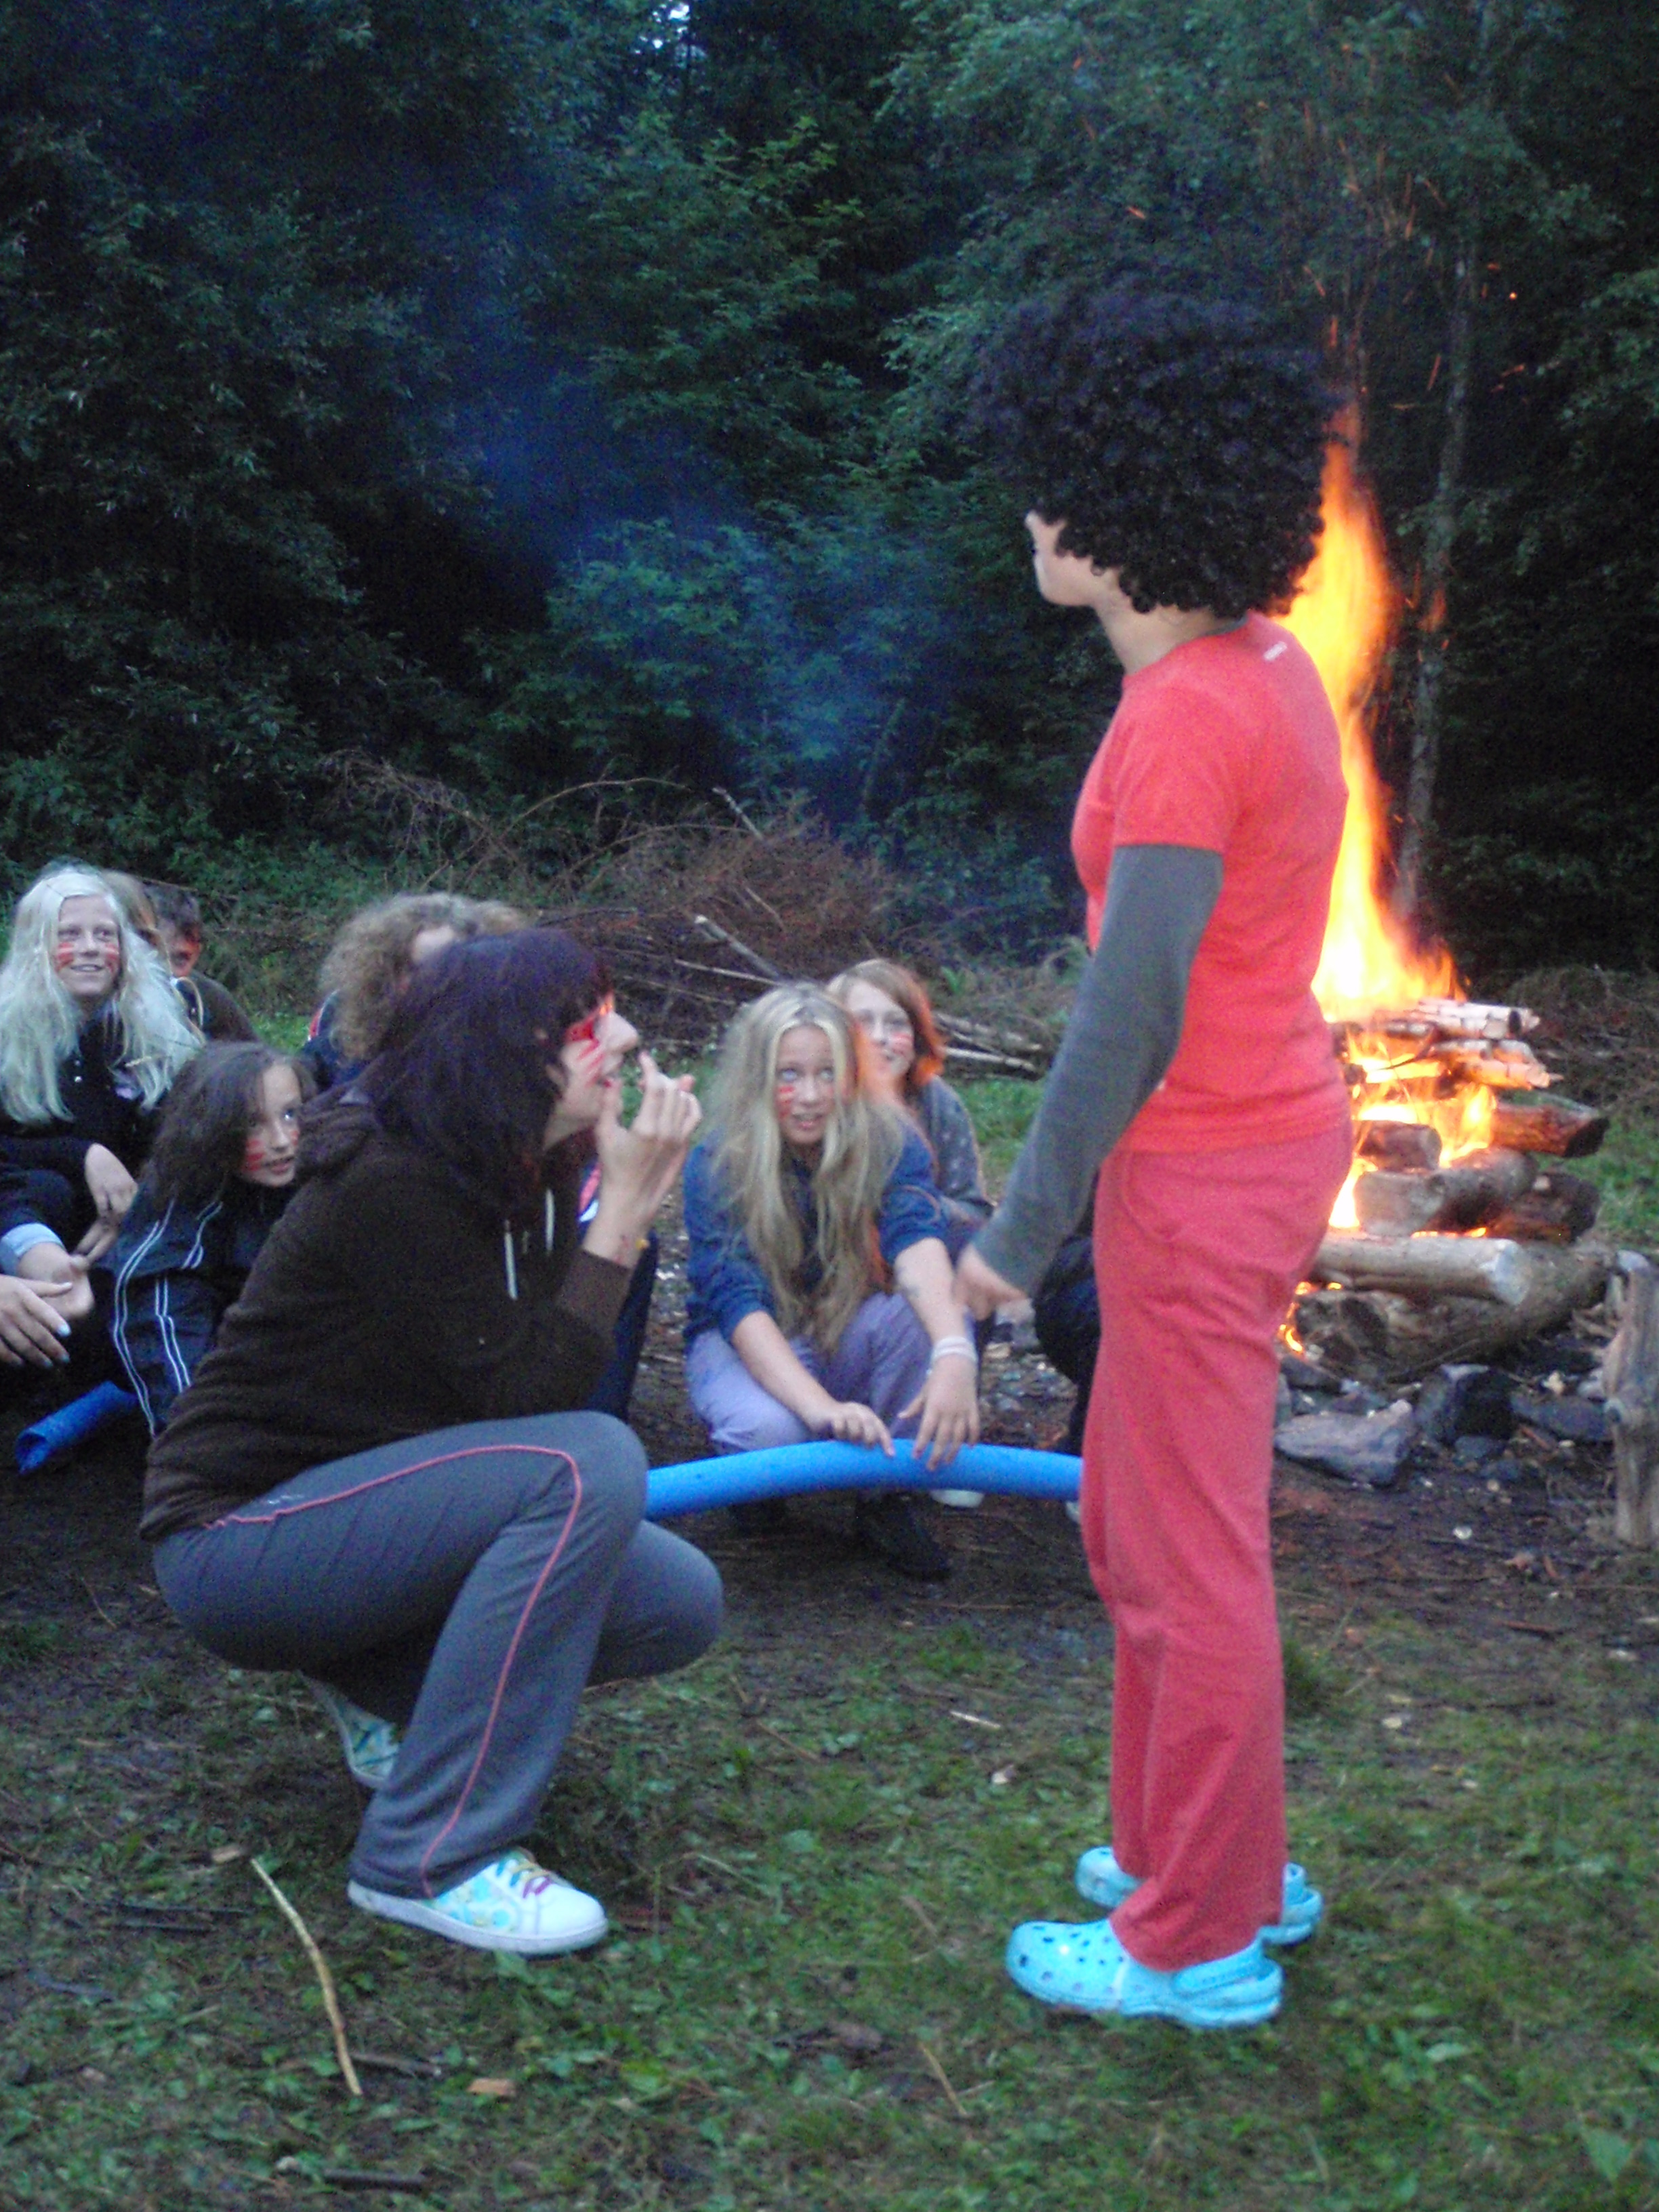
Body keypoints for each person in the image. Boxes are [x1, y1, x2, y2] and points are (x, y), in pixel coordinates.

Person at [956, 291, 1353, 2029]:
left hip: (1201, 1168)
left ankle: (1195, 1939)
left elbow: (1128, 1017)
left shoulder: (1191, 713)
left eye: (1054, 479)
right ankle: (1199, 1851)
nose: (1033, 513)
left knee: (1184, 1555)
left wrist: (1010, 1236)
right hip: (1237, 1142)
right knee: (1141, 1522)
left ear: (1130, 500)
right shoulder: (1255, 666)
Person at [140, 928, 720, 1956]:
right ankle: (429, 1856)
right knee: (586, 1464)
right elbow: (532, 1403)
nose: (627, 1037)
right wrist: (627, 1211)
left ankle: (366, 1674)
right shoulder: (392, 1179)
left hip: (366, 1515)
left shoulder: (529, 1161)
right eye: (590, 1024)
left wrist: (610, 1202)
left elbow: (528, 1386)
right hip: (239, 1538)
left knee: (676, 1600)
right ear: (506, 1048)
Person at [682, 983, 979, 1582]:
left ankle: (884, 1496)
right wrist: (821, 1410)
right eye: (789, 1075)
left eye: (828, 1074)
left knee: (927, 1319)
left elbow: (918, 1241)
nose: (812, 1096)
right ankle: (758, 1478)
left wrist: (955, 1351)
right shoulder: (717, 1161)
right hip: (751, 1339)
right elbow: (737, 1302)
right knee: (774, 1432)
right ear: (758, 1079)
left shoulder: (891, 1139)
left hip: (845, 1327)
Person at [827, 960, 991, 1512]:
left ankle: (946, 1427)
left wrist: (909, 1208)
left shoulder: (937, 1103)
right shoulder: (815, 1098)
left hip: (921, 1269)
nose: (880, 1037)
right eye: (863, 1022)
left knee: (972, 1259)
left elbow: (973, 1207)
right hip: (834, 1275)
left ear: (917, 1035)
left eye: (895, 1022)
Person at [0, 865, 201, 1269]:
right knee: (48, 1188)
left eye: (105, 934)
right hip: (27, 1228)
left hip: (133, 1228)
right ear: (35, 946)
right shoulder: (8, 1034)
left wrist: (134, 1207)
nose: (90, 948)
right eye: (70, 934)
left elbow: (186, 1142)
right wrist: (83, 1155)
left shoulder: (159, 1031)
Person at [110, 1043, 314, 1434]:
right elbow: (163, 1326)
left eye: (291, 1114)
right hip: (223, 1397)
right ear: (211, 1128)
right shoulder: (185, 1202)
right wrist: (200, 1437)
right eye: (253, 1124)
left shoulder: (317, 1180)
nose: (281, 1140)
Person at [299, 891, 528, 1090]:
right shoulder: (340, 1045)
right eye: (417, 969)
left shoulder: (511, 1052)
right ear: (387, 975)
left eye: (450, 965)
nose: (436, 980)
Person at [141, 881, 260, 1043]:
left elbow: (254, 1054)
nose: (166, 972)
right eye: (153, 954)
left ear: (197, 952)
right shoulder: (112, 996)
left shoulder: (210, 998)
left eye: (180, 959)